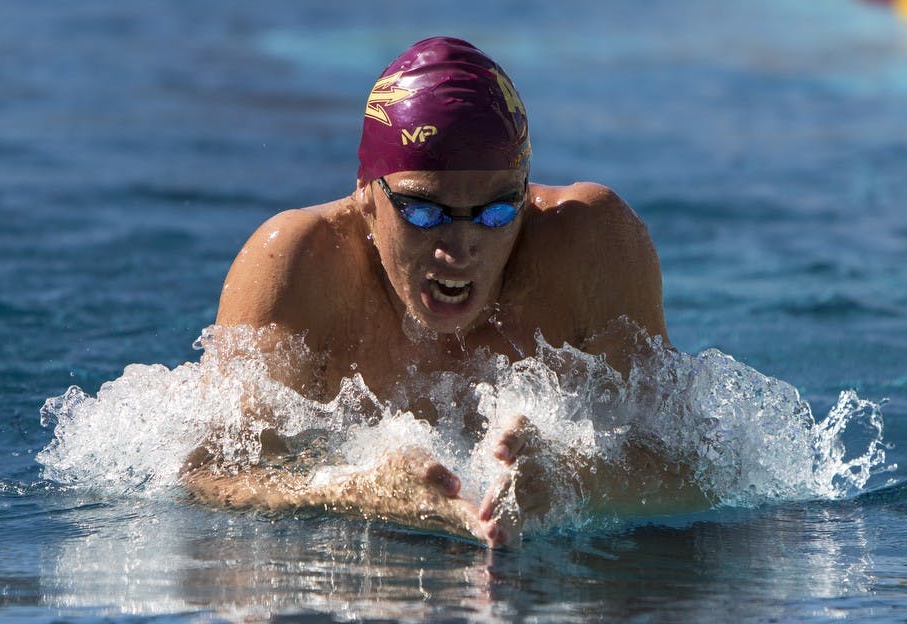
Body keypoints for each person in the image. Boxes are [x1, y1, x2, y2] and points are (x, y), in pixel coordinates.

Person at [183, 37, 707, 547]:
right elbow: (210, 476)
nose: (459, 249)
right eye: (422, 211)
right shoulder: (297, 265)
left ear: (525, 193)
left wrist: (577, 480)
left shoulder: (594, 244)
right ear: (366, 194)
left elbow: (697, 466)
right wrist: (359, 490)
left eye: (497, 211)